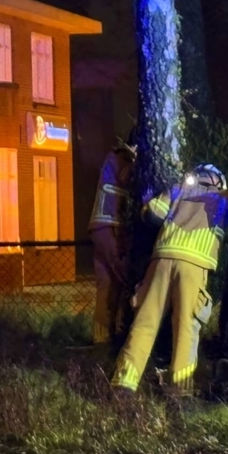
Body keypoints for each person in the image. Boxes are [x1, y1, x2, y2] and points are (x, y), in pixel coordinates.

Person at [112, 164, 228, 396]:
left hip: (161, 259)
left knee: (145, 323)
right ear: (220, 181)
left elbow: (151, 213)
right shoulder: (225, 198)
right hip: (194, 264)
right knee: (186, 327)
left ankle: (123, 384)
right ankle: (179, 390)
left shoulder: (177, 189)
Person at [88, 130, 137, 348]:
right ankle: (121, 332)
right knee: (125, 278)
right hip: (112, 227)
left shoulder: (111, 157)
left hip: (99, 227)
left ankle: (101, 337)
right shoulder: (124, 159)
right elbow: (129, 179)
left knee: (106, 284)